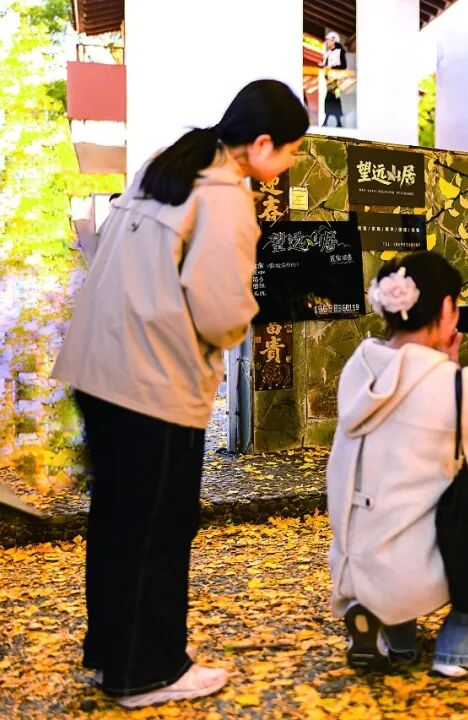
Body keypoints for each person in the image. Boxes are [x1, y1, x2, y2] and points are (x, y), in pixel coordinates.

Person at [52, 79, 309, 708]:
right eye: (292, 149)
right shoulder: (226, 198)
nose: (292, 161)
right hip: (154, 383)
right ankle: (148, 670)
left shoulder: (163, 166)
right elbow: (220, 312)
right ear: (263, 144)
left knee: (117, 521)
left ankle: (113, 653)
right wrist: (246, 318)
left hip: (100, 370)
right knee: (159, 528)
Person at [326, 251, 468, 679]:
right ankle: (467, 646)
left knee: (398, 494)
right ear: (446, 309)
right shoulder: (450, 386)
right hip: (408, 571)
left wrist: (446, 364)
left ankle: (392, 634)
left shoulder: (359, 368)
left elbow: (417, 422)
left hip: (356, 567)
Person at [321, 31, 348, 127]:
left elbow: (343, 66)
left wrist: (332, 68)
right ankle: (338, 122)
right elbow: (326, 65)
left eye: (328, 40)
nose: (327, 42)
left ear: (333, 41)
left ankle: (328, 120)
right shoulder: (327, 53)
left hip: (337, 79)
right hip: (329, 79)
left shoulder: (340, 52)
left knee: (331, 98)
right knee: (334, 98)